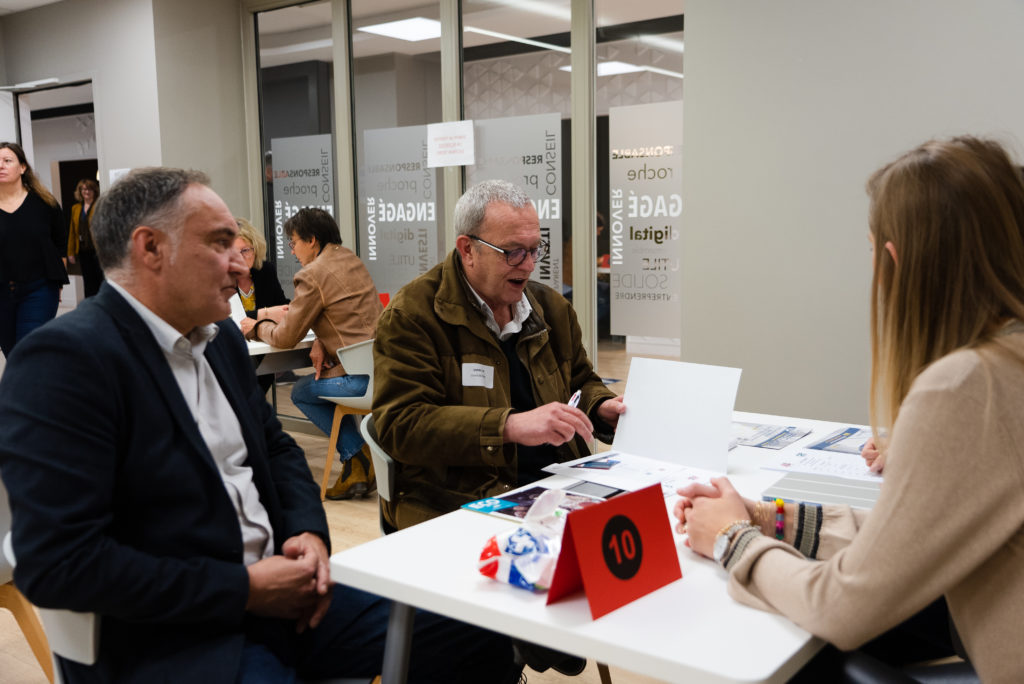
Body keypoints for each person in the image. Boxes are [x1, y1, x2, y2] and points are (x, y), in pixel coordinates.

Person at [0, 167, 518, 683]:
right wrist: (244, 589)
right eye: (220, 243)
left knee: (482, 624)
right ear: (150, 248)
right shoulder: (64, 362)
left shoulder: (219, 341)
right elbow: (57, 563)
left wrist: (309, 534)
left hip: (285, 600)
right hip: (172, 636)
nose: (241, 264)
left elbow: (277, 450)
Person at [675, 136, 1024, 682]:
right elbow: (902, 540)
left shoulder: (966, 387)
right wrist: (766, 518)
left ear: (894, 261)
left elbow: (841, 608)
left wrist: (731, 539)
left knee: (784, 651)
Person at [373, 179, 626, 531]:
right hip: (457, 498)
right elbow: (400, 426)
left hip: (557, 486)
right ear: (468, 249)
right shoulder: (413, 315)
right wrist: (509, 426)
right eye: (513, 252)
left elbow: (580, 381)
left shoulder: (551, 309)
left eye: (535, 249)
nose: (529, 265)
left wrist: (601, 406)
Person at [242, 208, 382, 501]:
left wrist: (256, 328)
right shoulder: (350, 259)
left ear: (312, 241)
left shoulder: (312, 275)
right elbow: (343, 312)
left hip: (360, 381)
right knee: (314, 383)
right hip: (384, 370)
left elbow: (285, 337)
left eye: (294, 243)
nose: (292, 251)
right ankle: (358, 462)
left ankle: (357, 456)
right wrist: (320, 338)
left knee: (302, 391)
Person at [0, 141, 67, 356]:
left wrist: (58, 281)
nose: (1, 166)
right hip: (1, 293)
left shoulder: (45, 203)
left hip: (39, 289)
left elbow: (60, 243)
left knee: (30, 350)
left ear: (22, 167)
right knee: (12, 353)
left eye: (7, 161)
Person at [233, 217, 288, 320]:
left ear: (256, 249)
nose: (240, 258)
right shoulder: (218, 279)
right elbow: (224, 321)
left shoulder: (265, 271)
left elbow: (282, 307)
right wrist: (264, 314)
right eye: (233, 252)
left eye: (245, 250)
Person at [66, 178, 104, 297]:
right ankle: (91, 303)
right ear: (80, 191)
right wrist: (70, 252)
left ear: (94, 191)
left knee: (100, 278)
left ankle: (102, 302)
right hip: (83, 250)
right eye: (83, 189)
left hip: (97, 249)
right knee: (87, 280)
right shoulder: (76, 208)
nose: (86, 192)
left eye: (89, 189)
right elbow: (72, 232)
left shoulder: (99, 205)